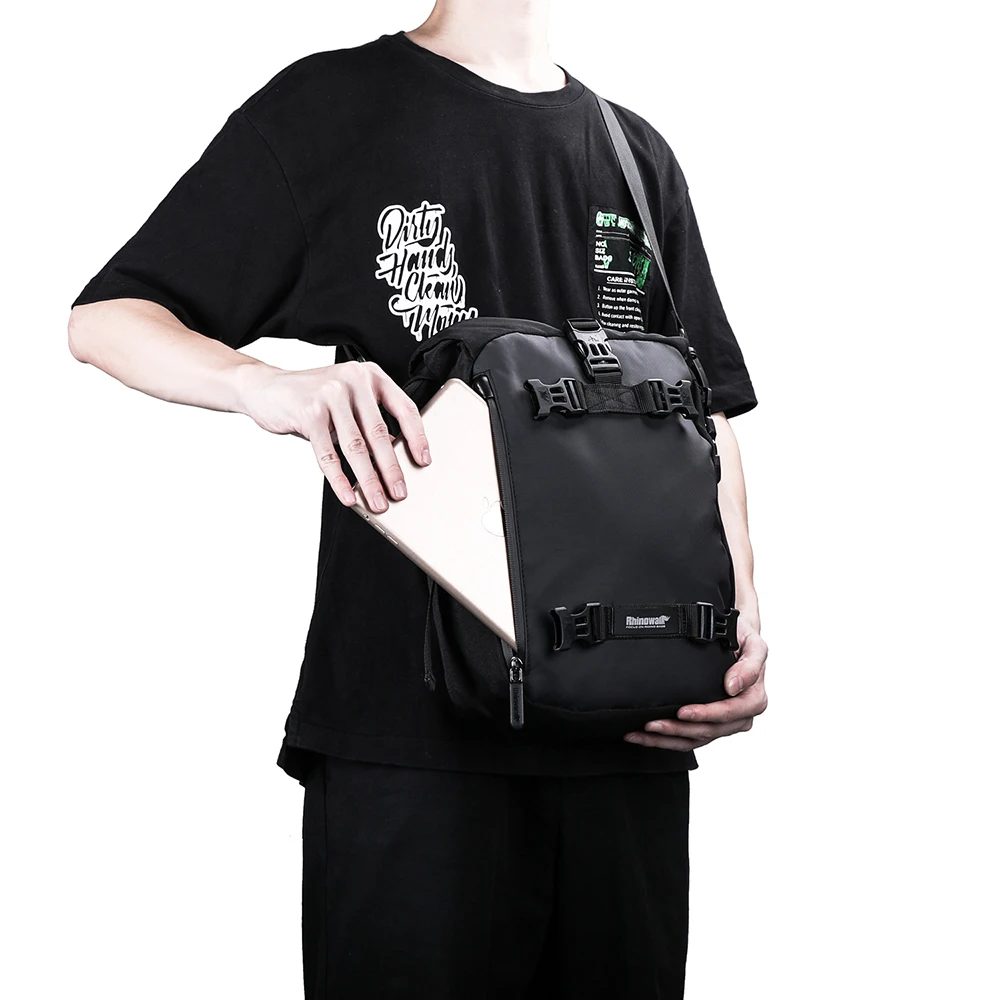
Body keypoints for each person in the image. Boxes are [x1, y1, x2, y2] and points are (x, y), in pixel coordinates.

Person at [68, 1, 769, 996]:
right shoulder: (333, 106)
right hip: (414, 741)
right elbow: (107, 318)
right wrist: (264, 384)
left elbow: (705, 416)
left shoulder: (635, 154)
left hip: (625, 743)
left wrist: (735, 624)